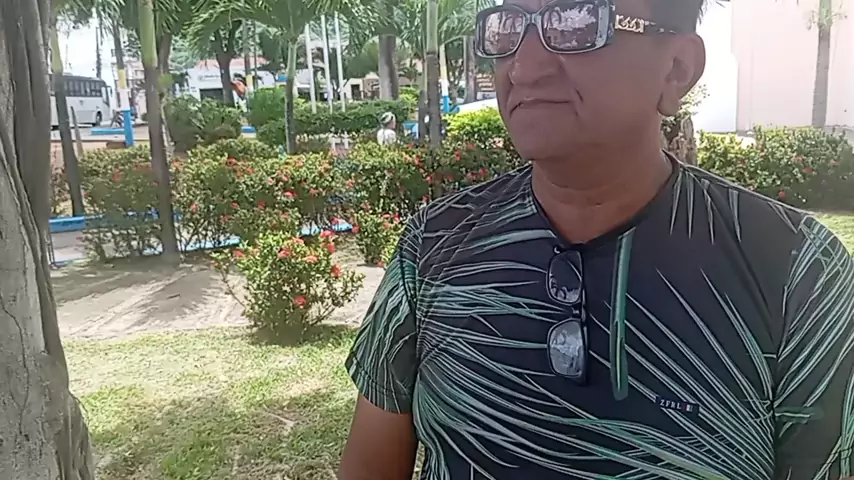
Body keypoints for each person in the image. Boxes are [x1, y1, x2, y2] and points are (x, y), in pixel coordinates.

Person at [339, 0, 854, 478]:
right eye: (508, 27)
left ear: (676, 68)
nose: (524, 67)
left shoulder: (797, 272)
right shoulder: (432, 247)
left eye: (576, 20)